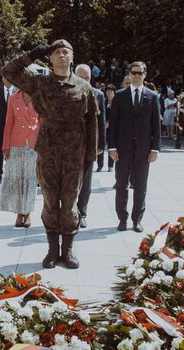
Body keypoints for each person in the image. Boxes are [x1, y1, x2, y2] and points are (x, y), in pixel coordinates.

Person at [1, 40, 98, 269]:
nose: (62, 55)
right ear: (50, 58)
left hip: (75, 152)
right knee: (50, 202)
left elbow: (92, 122)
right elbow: (8, 71)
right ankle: (52, 251)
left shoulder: (84, 87)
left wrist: (91, 156)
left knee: (70, 204)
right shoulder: (40, 83)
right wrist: (33, 54)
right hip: (48, 151)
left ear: (72, 57)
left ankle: (69, 250)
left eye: (66, 52)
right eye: (56, 52)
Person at [108, 61, 161, 233]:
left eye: (140, 73)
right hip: (122, 150)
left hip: (144, 151)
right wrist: (112, 147)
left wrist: (155, 149)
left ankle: (136, 220)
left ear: (145, 75)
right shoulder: (120, 96)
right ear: (129, 74)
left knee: (140, 187)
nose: (137, 76)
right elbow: (113, 124)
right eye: (134, 73)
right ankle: (122, 219)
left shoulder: (152, 97)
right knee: (121, 185)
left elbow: (156, 126)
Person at [0, 89, 41, 228]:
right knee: (16, 179)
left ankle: (27, 213)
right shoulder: (13, 98)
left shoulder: (40, 96)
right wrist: (5, 146)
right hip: (16, 143)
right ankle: (19, 213)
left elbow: (43, 121)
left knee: (30, 179)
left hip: (34, 142)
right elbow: (8, 123)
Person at [75, 64, 105, 229]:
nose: (83, 80)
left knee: (86, 182)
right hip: (69, 145)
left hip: (88, 145)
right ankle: (69, 212)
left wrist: (101, 145)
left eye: (86, 78)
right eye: (80, 77)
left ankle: (82, 213)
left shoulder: (98, 95)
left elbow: (101, 123)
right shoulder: (66, 92)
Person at [97, 84, 116, 172]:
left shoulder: (117, 102)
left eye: (111, 91)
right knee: (101, 145)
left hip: (113, 128)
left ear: (114, 92)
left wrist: (110, 123)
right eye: (108, 91)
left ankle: (110, 165)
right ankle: (100, 165)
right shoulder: (103, 101)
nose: (109, 93)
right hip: (103, 127)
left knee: (111, 146)